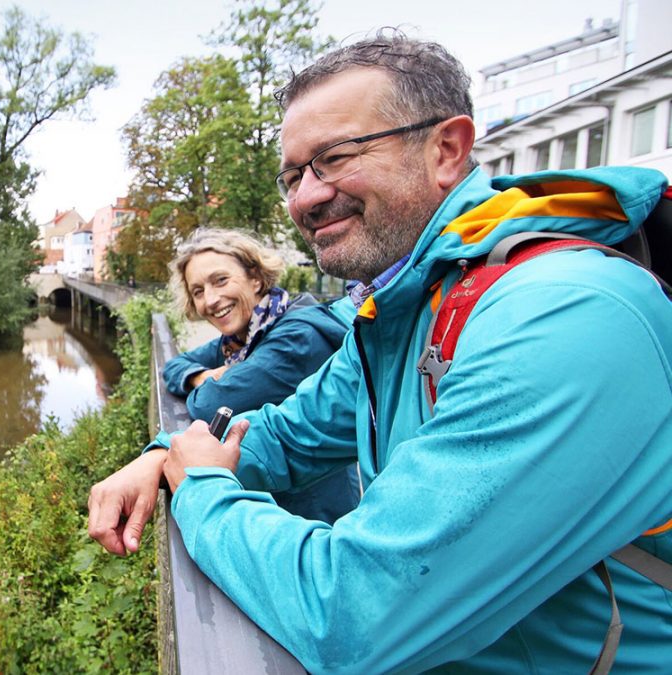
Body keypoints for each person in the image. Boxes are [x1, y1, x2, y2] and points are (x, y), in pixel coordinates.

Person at [89, 31, 672, 672]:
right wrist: (166, 452)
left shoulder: (562, 318)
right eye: (293, 175)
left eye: (335, 157)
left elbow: (354, 616)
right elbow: (285, 433)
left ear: (447, 149)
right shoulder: (402, 307)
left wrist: (199, 487)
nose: (305, 197)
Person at [161, 227, 358, 521]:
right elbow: (175, 365)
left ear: (255, 278)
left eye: (221, 280)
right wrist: (198, 377)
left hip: (314, 516)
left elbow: (210, 403)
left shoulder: (295, 337)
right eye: (198, 292)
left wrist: (211, 385)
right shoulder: (242, 338)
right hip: (278, 506)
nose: (211, 300)